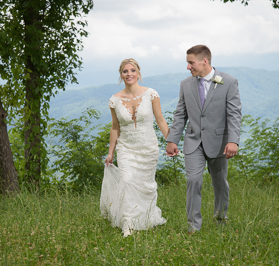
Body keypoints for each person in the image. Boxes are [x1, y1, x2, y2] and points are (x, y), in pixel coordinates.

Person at [166, 45, 242, 233]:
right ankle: (193, 227)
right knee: (193, 180)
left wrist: (233, 141)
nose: (188, 67)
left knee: (220, 182)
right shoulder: (185, 84)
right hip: (193, 142)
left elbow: (234, 114)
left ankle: (220, 219)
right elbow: (180, 114)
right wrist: (172, 140)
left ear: (204, 61)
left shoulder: (229, 82)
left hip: (219, 143)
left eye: (191, 63)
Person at [100, 58, 169, 237]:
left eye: (132, 70)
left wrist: (171, 141)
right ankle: (128, 224)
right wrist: (110, 153)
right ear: (121, 75)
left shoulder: (151, 94)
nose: (129, 74)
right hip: (126, 148)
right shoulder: (114, 100)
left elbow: (160, 120)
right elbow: (115, 127)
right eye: (125, 71)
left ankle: (146, 217)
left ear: (138, 73)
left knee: (147, 186)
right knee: (127, 181)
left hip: (148, 147)